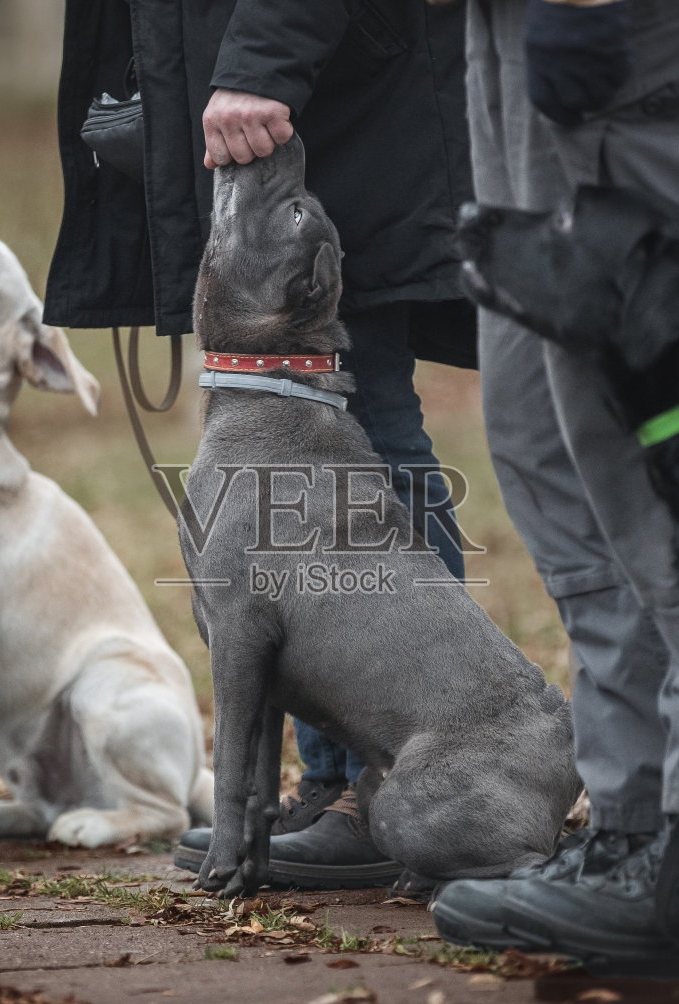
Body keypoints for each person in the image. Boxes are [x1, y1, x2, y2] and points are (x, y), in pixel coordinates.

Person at [47, 0, 477, 887]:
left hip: (319, 80)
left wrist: (260, 66)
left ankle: (408, 779)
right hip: (265, 77)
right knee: (319, 464)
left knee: (370, 426)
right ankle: (333, 785)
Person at [430, 0, 679, 958]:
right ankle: (635, 818)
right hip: (512, 28)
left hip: (629, 28)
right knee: (543, 432)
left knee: (649, 455)